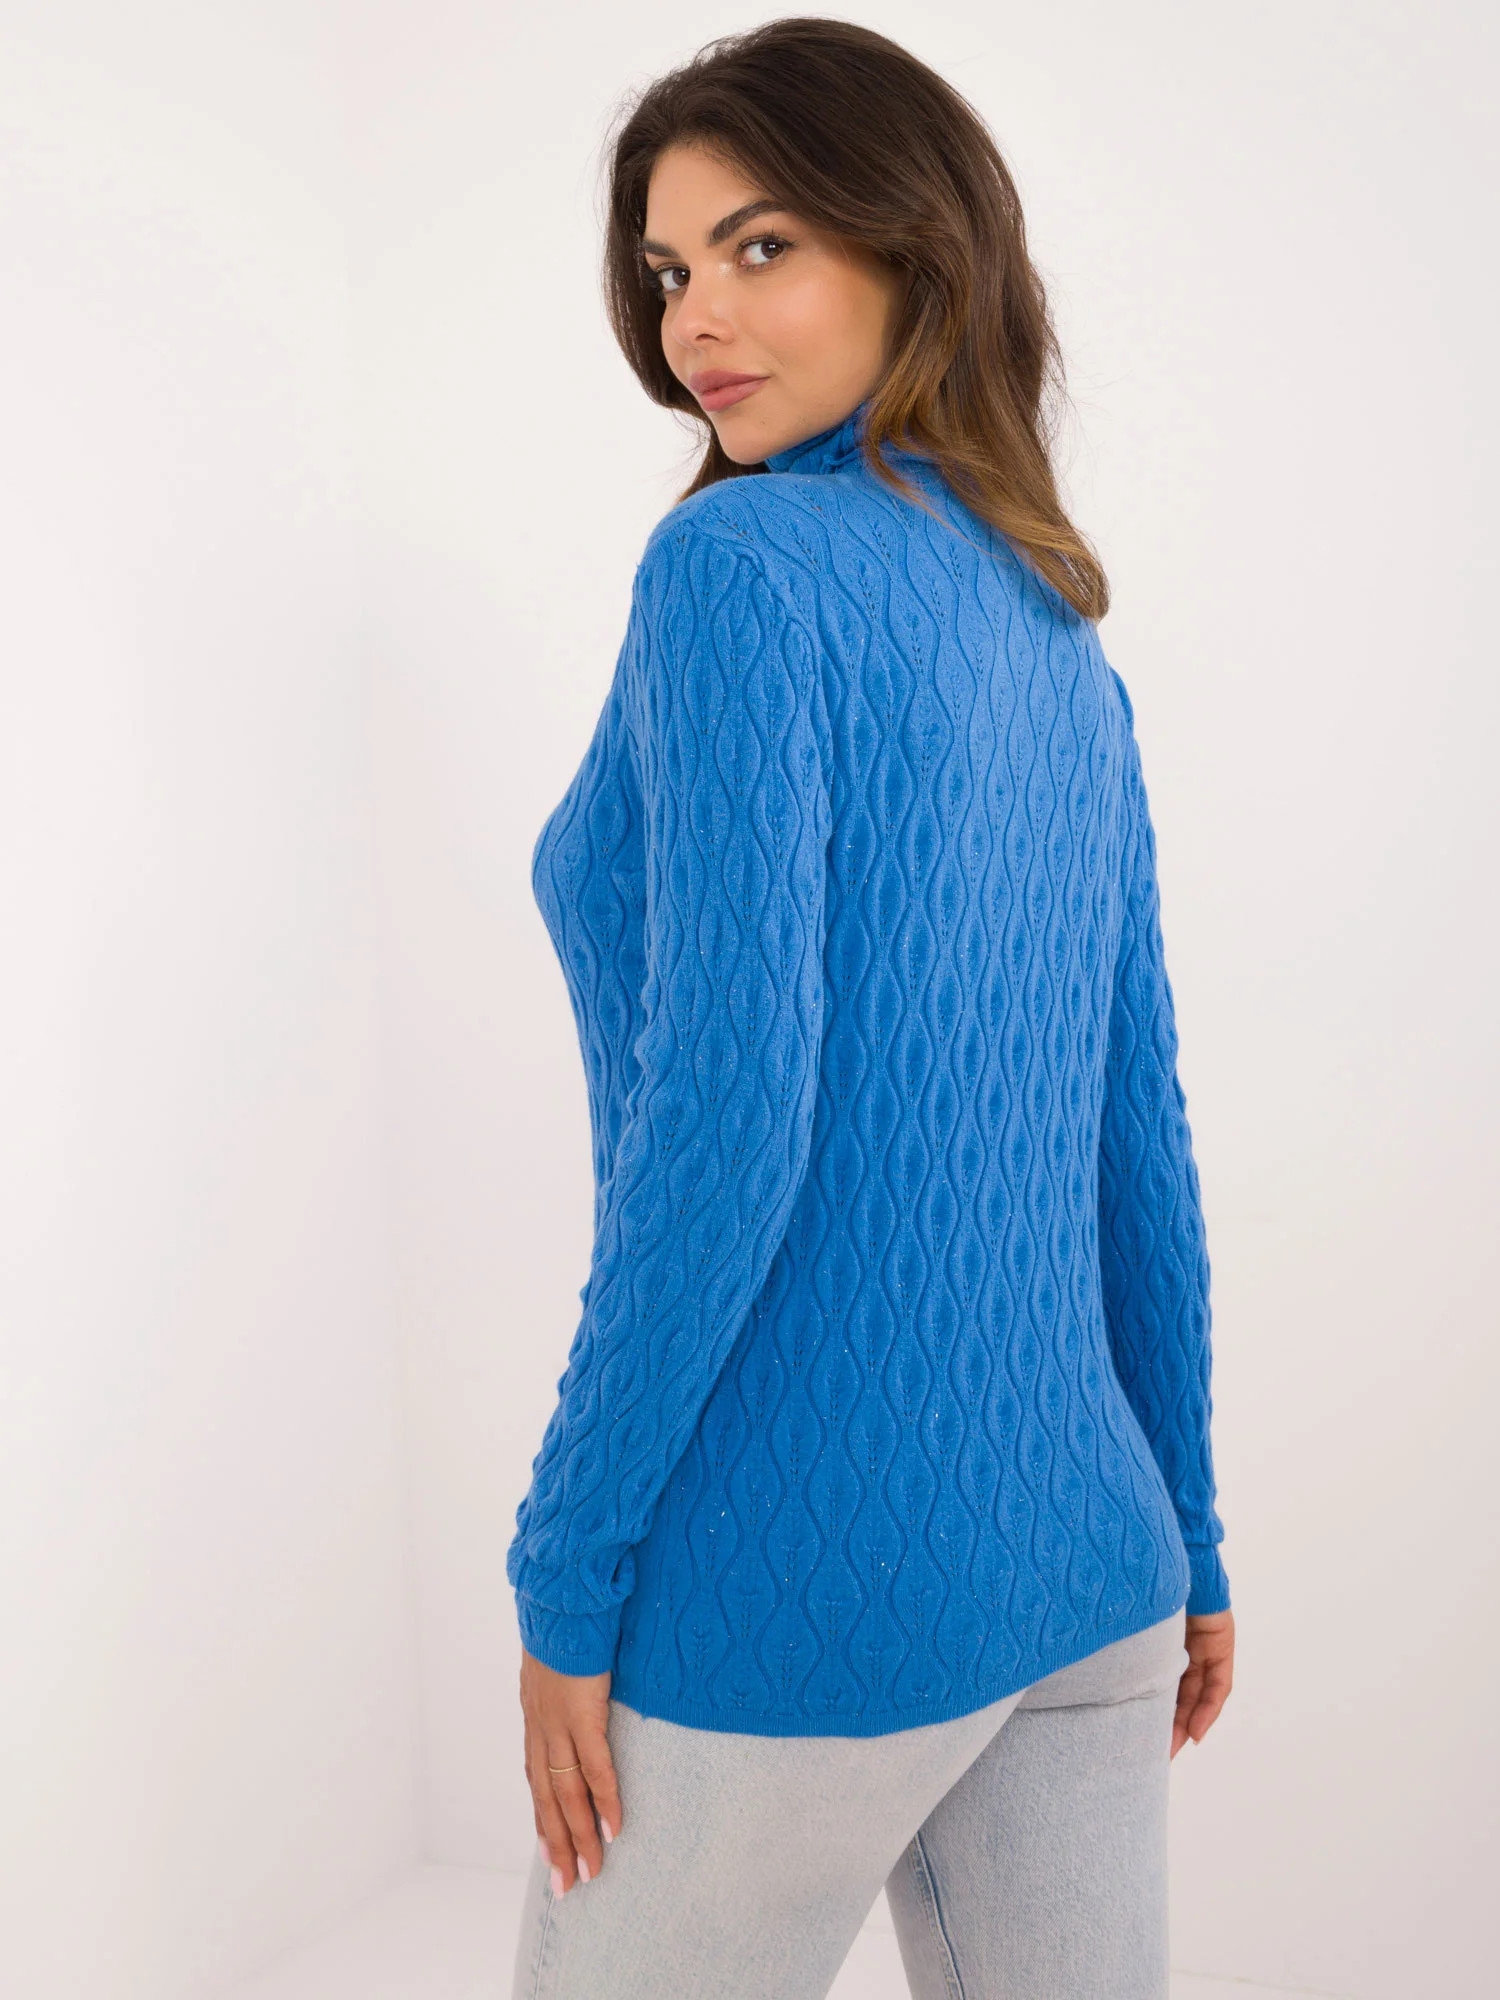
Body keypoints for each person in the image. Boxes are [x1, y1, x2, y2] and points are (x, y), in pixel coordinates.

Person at [505, 18, 1234, 1998]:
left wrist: (565, 1565)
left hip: (797, 1596)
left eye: (763, 248)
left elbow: (729, 1115)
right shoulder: (1056, 624)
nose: (696, 322)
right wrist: (1190, 1531)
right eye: (669, 270)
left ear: (919, 250)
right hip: (1092, 1575)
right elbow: (1139, 1135)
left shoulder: (737, 572)